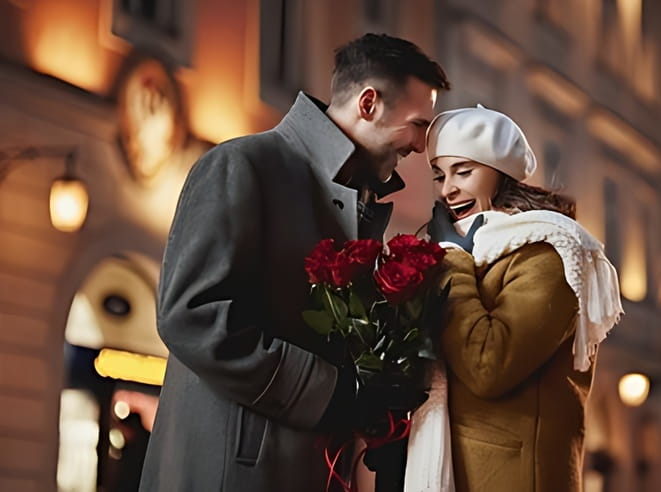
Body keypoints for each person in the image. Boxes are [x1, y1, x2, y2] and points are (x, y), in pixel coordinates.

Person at [139, 33, 449, 492]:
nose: (421, 148)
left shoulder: (357, 201)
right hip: (230, 474)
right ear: (369, 104)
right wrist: (339, 393)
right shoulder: (242, 164)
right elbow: (191, 316)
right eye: (418, 125)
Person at [404, 105, 623, 492]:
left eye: (464, 171)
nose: (447, 189)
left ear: (500, 173)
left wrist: (452, 259)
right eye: (440, 174)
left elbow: (489, 365)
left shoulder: (547, 252)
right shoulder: (474, 251)